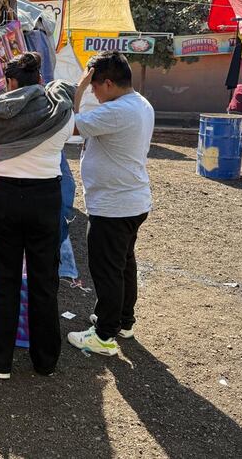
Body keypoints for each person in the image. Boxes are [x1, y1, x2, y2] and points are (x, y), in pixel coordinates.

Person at [0, 52, 75, 379]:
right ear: (39, 80)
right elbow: (67, 90)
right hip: (46, 197)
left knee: (4, 278)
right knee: (44, 280)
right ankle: (45, 360)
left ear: (9, 82)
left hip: (6, 197)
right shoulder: (61, 110)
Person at [67, 51, 154, 357]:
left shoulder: (116, 112)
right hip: (132, 200)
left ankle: (104, 336)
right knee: (123, 265)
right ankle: (122, 321)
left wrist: (77, 87)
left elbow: (70, 125)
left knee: (106, 271)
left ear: (106, 82)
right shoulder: (139, 103)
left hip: (113, 206)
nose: (92, 92)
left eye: (94, 87)